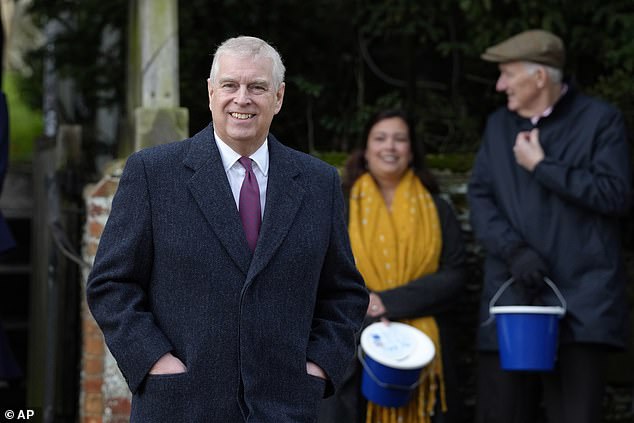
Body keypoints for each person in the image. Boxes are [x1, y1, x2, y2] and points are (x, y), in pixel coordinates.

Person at [86, 35, 369, 422]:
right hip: (181, 406)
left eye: (257, 87)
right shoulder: (153, 173)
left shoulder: (319, 183)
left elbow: (344, 292)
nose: (242, 98)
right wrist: (153, 360)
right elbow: (111, 284)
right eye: (230, 85)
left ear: (279, 97)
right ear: (210, 92)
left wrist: (319, 364)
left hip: (284, 408)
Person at [468, 29, 632, 423]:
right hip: (512, 300)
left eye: (507, 74)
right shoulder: (498, 127)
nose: (499, 85)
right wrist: (514, 251)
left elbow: (616, 195)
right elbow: (481, 198)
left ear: (539, 77)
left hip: (584, 305)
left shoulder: (601, 122)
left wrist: (543, 166)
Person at [318, 109, 467, 423]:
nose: (390, 146)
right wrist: (363, 302)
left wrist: (386, 302)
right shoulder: (338, 205)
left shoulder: (438, 208)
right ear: (366, 150)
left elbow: (455, 276)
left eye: (400, 139)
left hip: (424, 342)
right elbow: (321, 269)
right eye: (380, 138)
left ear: (411, 151)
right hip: (355, 343)